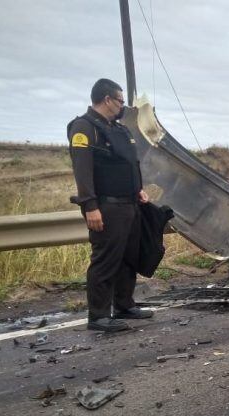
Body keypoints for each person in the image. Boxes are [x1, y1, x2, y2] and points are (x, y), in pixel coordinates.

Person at [67, 78, 153, 332]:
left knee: (128, 258)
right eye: (120, 101)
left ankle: (124, 305)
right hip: (106, 207)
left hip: (129, 204)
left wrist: (138, 190)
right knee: (106, 260)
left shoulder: (118, 129)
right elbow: (82, 171)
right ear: (107, 100)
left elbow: (128, 164)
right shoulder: (84, 128)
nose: (122, 106)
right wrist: (90, 206)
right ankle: (99, 316)